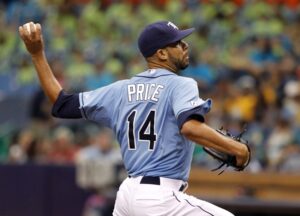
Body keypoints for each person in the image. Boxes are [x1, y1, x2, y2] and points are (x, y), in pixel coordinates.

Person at [19, 20, 250, 216]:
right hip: (159, 197)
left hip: (127, 195)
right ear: (161, 53)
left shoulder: (120, 90)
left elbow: (62, 104)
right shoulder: (181, 84)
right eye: (178, 43)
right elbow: (190, 128)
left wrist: (37, 55)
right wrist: (237, 149)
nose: (185, 45)